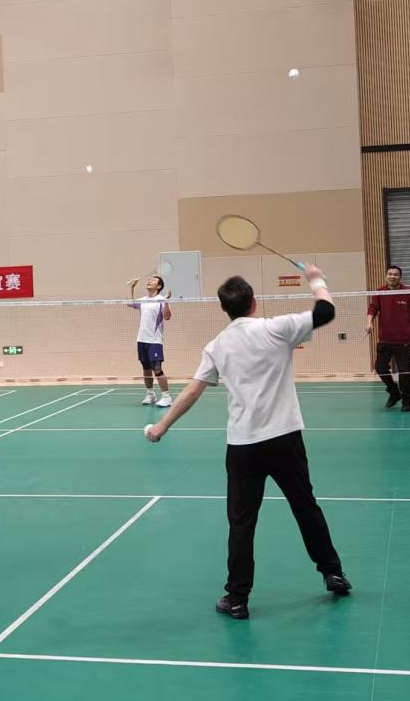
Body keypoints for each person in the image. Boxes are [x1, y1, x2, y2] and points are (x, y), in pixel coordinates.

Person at [145, 264, 350, 619]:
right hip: (285, 439)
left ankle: (237, 598)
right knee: (305, 507)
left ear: (225, 309)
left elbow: (192, 391)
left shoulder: (217, 345)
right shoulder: (277, 328)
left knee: (241, 524)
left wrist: (161, 425)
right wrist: (316, 279)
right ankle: (332, 573)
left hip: (243, 447)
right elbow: (326, 311)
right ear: (254, 302)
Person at [365, 265, 410, 411]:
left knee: (404, 371)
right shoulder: (380, 292)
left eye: (395, 274)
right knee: (380, 368)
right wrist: (369, 323)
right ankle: (394, 392)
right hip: (385, 338)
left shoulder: (408, 292)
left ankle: (407, 401)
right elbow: (372, 308)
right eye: (390, 274)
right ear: (386, 276)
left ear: (400, 277)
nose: (392, 276)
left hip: (403, 340)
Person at [127, 275, 172, 407]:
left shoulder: (161, 299)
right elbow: (130, 303)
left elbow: (167, 317)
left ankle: (166, 397)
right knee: (146, 369)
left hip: (154, 341)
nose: (149, 281)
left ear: (159, 286)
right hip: (141, 339)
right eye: (149, 280)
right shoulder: (143, 300)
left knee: (157, 369)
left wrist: (166, 301)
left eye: (153, 280)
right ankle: (150, 394)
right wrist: (132, 287)